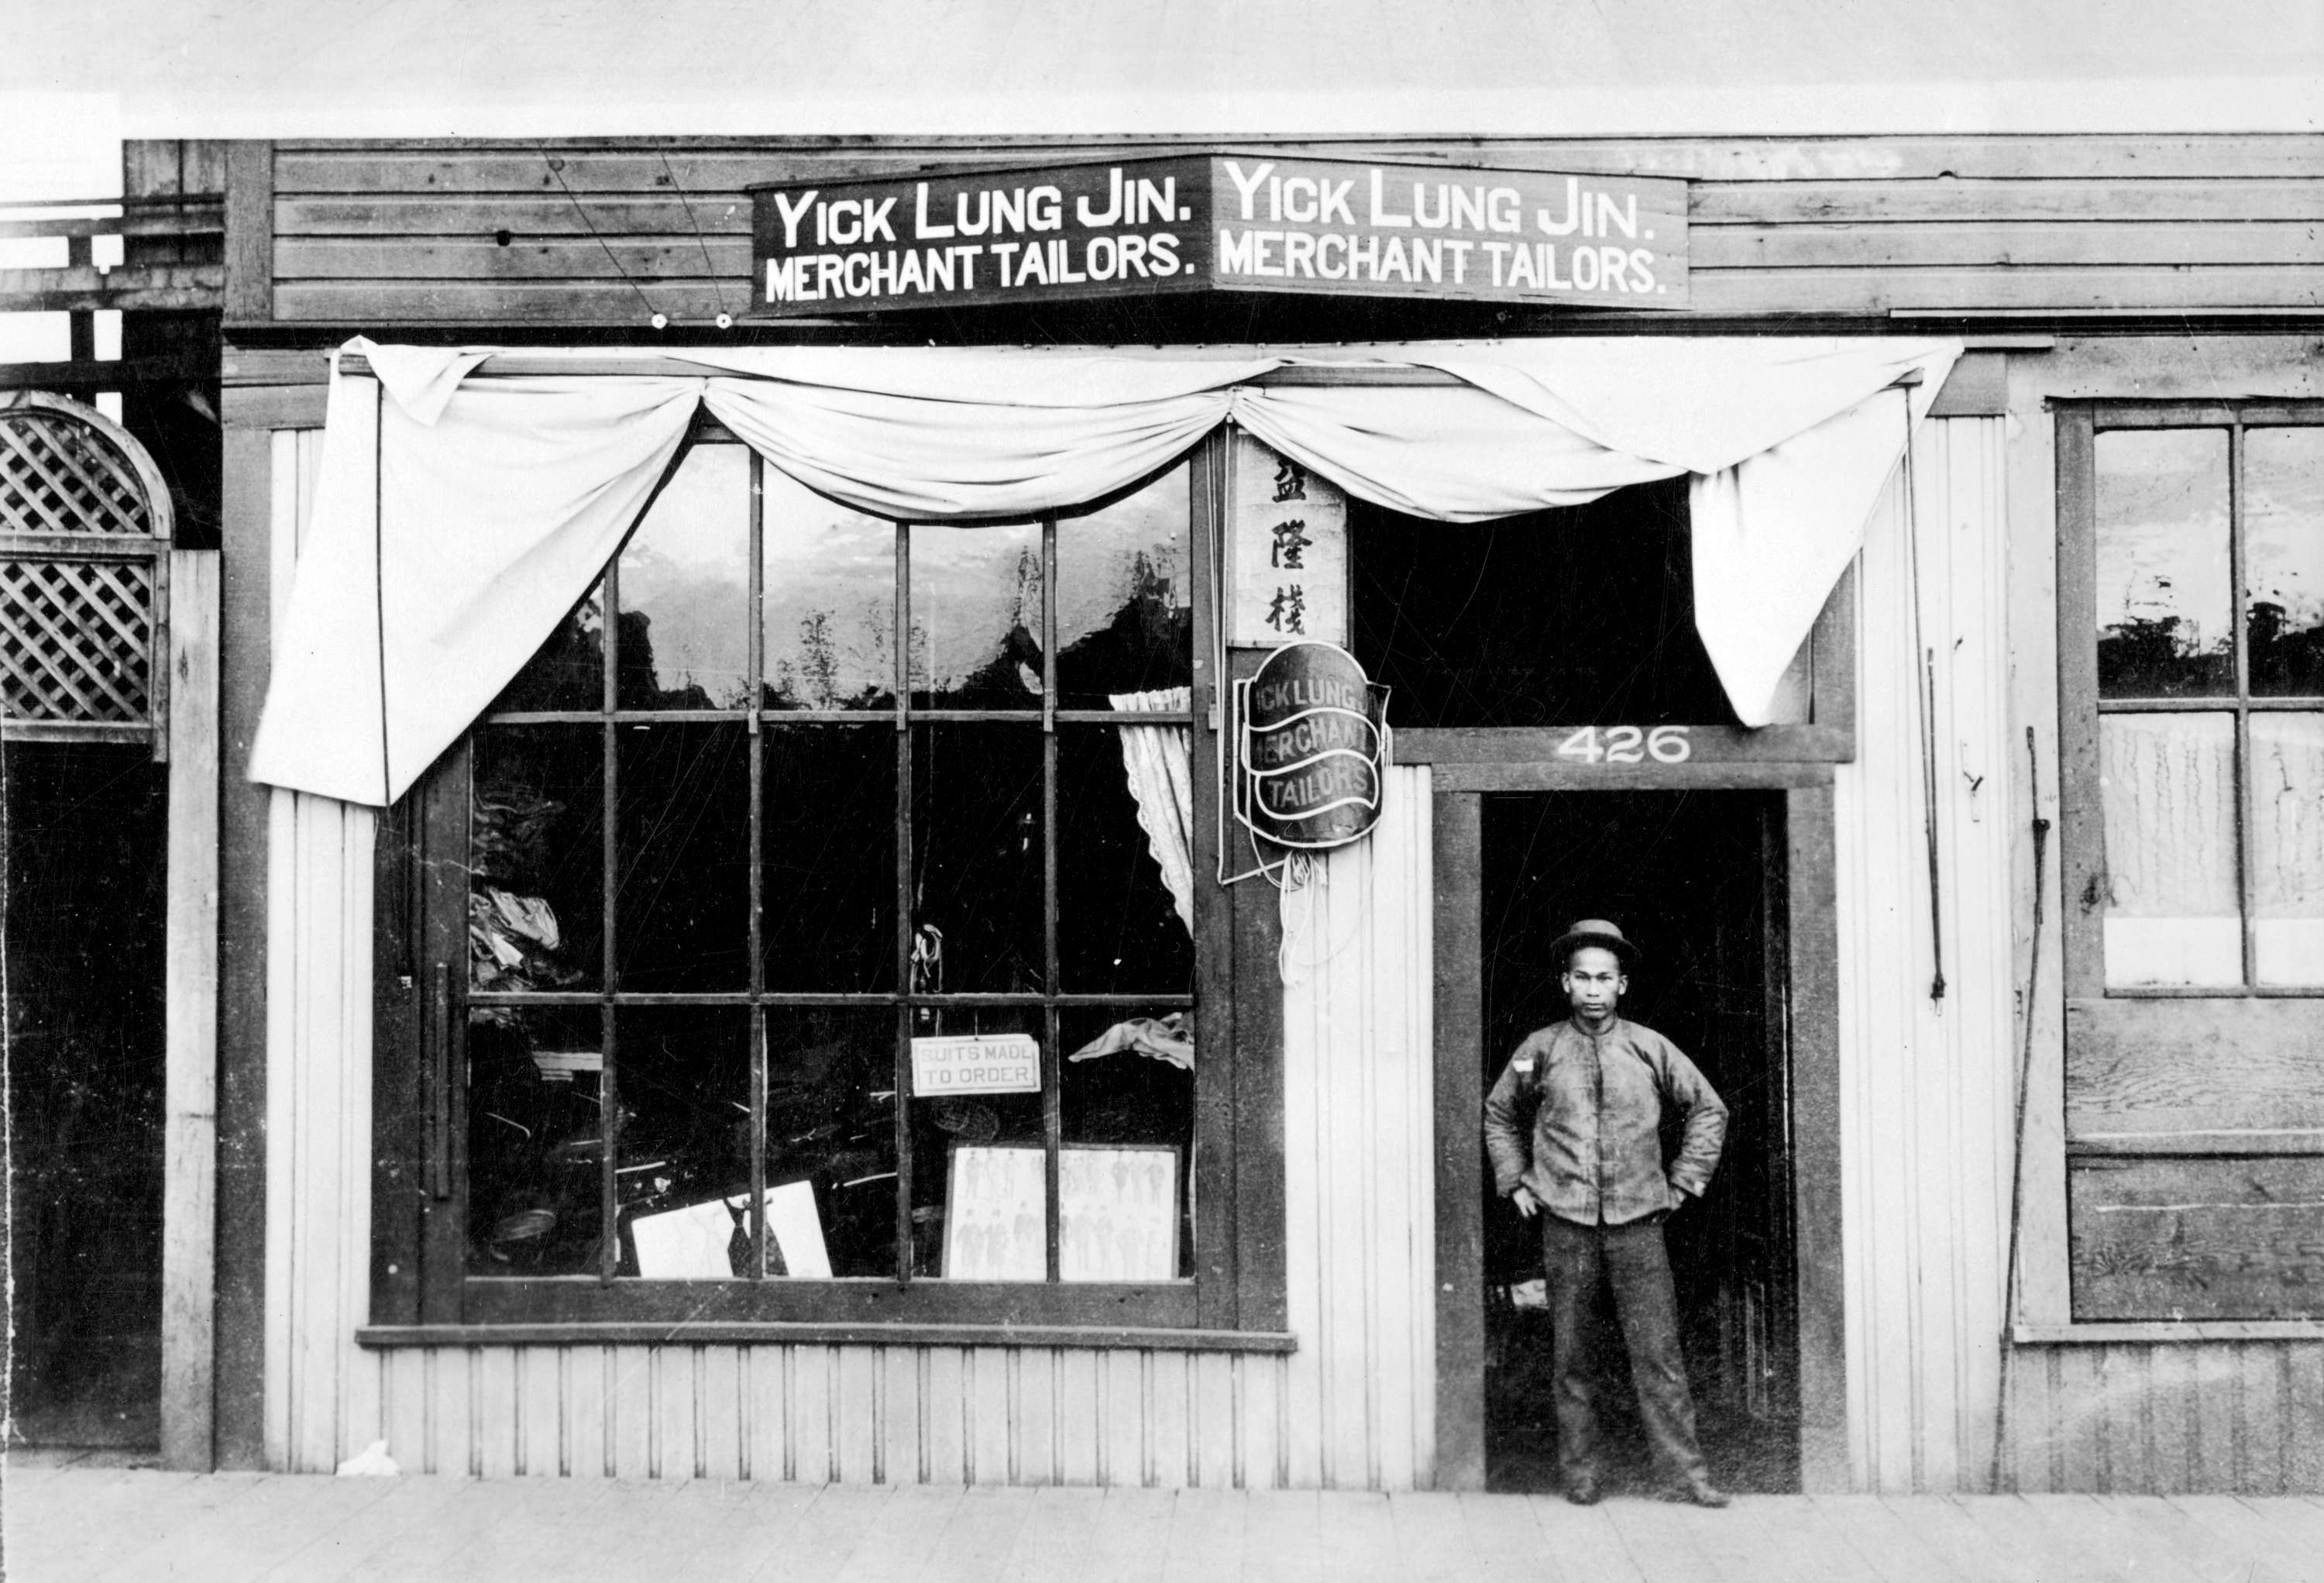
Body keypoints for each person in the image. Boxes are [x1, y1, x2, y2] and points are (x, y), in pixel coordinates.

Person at [1483, 918, 1731, 1508]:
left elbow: (1709, 1109)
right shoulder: (1539, 1050)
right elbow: (1499, 1113)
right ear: (1566, 983)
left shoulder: (1649, 1046)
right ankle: (1582, 1474)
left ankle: (1684, 1477)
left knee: (1659, 1355)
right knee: (1572, 1356)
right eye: (1582, 977)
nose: (1594, 989)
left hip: (1640, 1224)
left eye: (1605, 978)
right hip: (1566, 1223)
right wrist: (1515, 1179)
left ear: (1622, 985)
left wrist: (1683, 1181)